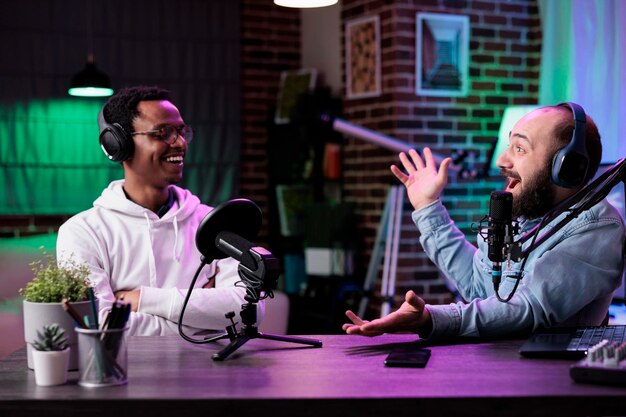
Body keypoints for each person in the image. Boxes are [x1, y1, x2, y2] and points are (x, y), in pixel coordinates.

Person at [343, 104, 625, 340]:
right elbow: (479, 287)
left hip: (553, 387)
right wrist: (427, 207)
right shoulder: (525, 218)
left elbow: (529, 308)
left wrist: (432, 319)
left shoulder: (597, 226)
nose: (502, 160)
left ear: (567, 168)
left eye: (520, 149)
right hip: (504, 368)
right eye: (508, 146)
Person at [56, 86, 253, 336]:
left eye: (182, 131)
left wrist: (142, 300)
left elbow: (249, 311)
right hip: (123, 374)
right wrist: (201, 317)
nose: (180, 143)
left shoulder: (216, 223)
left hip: (213, 373)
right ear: (119, 145)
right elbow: (99, 327)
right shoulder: (82, 233)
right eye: (164, 133)